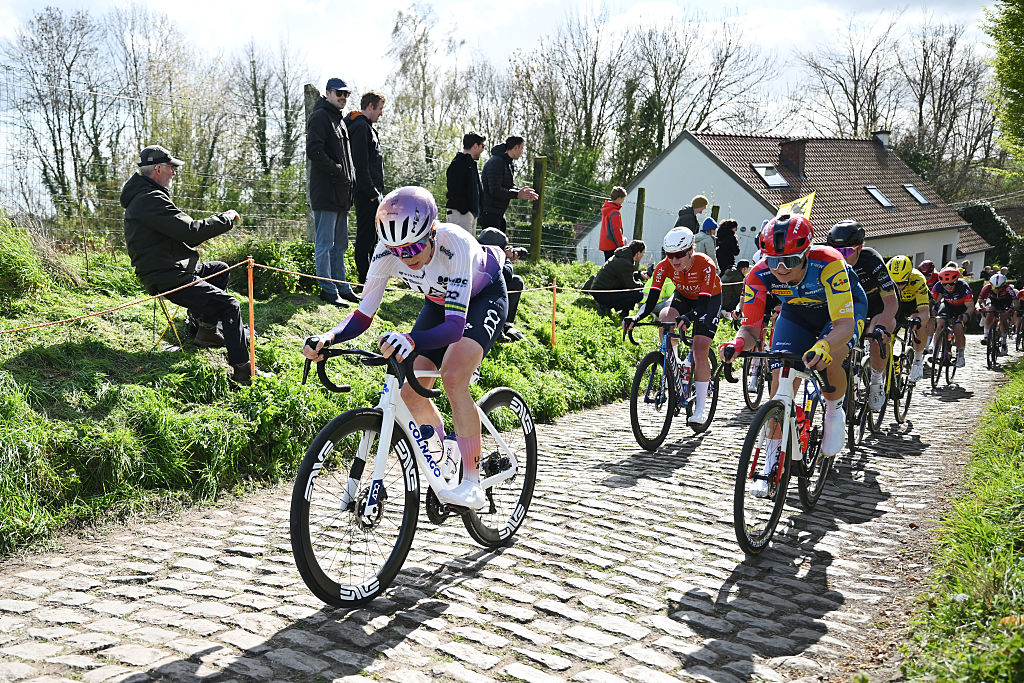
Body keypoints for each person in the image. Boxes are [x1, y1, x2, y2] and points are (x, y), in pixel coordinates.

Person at [302, 186, 508, 510]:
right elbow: (362, 315)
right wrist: (329, 338)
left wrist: (411, 339)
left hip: (483, 296)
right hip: (440, 301)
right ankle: (449, 451)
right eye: (399, 250)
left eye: (413, 247)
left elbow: (454, 328)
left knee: (453, 376)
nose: (407, 257)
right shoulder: (387, 252)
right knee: (411, 393)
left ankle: (472, 481)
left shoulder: (452, 244)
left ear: (431, 232)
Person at [720, 215, 866, 495]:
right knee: (780, 385)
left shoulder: (829, 262)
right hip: (796, 313)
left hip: (839, 315)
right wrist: (737, 344)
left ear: (807, 252)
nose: (782, 269)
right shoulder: (758, 275)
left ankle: (835, 411)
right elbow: (750, 329)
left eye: (791, 260)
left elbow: (844, 326)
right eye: (774, 261)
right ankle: (771, 462)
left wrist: (824, 344)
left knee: (831, 356)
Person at [121, 145, 262, 385]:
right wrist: (225, 218)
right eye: (171, 168)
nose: (174, 173)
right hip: (167, 275)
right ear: (157, 169)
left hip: (170, 266)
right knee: (229, 305)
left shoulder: (147, 196)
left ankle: (206, 332)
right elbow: (191, 232)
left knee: (218, 269)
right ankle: (242, 370)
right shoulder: (149, 199)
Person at [625, 227, 723, 425]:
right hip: (684, 297)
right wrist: (636, 316)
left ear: (690, 251)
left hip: (708, 299)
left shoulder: (706, 265)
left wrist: (689, 317)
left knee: (700, 348)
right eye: (670, 255)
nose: (674, 260)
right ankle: (675, 363)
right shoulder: (665, 266)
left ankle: (700, 410)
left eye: (679, 255)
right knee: (665, 316)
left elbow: (703, 306)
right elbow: (651, 300)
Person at [826, 220, 898, 412]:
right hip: (848, 305)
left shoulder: (871, 260)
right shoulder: (827, 261)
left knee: (876, 336)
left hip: (877, 304)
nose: (841, 257)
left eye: (847, 252)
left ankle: (876, 382)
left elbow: (891, 301)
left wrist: (882, 326)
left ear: (860, 248)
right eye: (836, 252)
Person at [306, 77, 359, 306]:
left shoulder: (340, 121)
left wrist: (350, 180)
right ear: (328, 93)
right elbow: (314, 151)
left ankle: (342, 287)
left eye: (346, 94)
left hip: (341, 195)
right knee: (325, 245)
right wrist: (338, 171)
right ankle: (327, 290)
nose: (343, 97)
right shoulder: (320, 117)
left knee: (341, 246)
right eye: (339, 93)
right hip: (326, 194)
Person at [347, 90, 386, 285]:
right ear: (370, 106)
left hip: (371, 192)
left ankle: (370, 277)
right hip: (367, 193)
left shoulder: (366, 127)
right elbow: (360, 164)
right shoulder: (361, 127)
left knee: (372, 237)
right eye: (380, 108)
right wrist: (371, 193)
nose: (381, 113)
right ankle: (365, 279)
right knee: (365, 237)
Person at [479, 136, 538, 233]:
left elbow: (509, 186)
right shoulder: (496, 162)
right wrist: (517, 194)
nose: (522, 152)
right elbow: (495, 190)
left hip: (499, 212)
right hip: (490, 212)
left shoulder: (508, 163)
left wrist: (521, 191)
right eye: (522, 148)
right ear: (515, 148)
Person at [477, 227, 526, 342]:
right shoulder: (488, 255)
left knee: (516, 282)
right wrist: (507, 258)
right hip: (481, 299)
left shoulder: (476, 250)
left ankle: (506, 325)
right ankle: (498, 328)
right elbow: (507, 275)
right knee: (514, 281)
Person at [886, 256, 930, 382]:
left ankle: (917, 359)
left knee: (920, 322)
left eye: (902, 283)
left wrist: (917, 320)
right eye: (895, 283)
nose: (898, 287)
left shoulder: (918, 278)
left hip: (914, 303)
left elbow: (925, 312)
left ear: (909, 276)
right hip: (896, 302)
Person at [930, 266, 975, 368]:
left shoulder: (963, 286)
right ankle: (935, 351)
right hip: (948, 306)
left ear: (956, 281)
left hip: (962, 308)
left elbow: (970, 306)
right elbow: (933, 301)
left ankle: (960, 355)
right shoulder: (938, 286)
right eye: (945, 284)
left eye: (951, 283)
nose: (948, 286)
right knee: (940, 323)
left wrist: (965, 316)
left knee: (958, 327)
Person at [591, 240, 646, 316]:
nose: (643, 255)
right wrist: (642, 286)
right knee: (638, 294)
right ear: (638, 253)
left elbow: (625, 276)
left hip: (601, 290)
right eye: (643, 253)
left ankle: (623, 312)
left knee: (633, 290)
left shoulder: (623, 256)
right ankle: (609, 306)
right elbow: (630, 284)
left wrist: (640, 275)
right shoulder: (625, 262)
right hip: (602, 294)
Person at [445, 132, 485, 232]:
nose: (482, 150)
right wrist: (465, 210)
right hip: (461, 214)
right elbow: (454, 189)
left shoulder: (471, 164)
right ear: (475, 146)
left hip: (469, 214)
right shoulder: (458, 164)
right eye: (482, 146)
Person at [978, 272, 1016, 354]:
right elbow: (980, 301)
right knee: (989, 312)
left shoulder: (1008, 289)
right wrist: (981, 307)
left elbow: (1015, 301)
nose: (996, 290)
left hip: (1005, 302)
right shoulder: (987, 288)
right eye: (994, 287)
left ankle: (1004, 342)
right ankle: (986, 336)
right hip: (993, 302)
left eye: (1000, 288)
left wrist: (1012, 308)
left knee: (1003, 318)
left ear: (1004, 285)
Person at [599, 186, 627, 260]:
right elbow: (616, 230)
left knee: (608, 266)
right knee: (613, 268)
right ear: (619, 198)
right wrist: (621, 245)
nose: (623, 201)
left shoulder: (607, 209)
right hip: (612, 245)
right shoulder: (614, 213)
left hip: (606, 244)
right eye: (623, 199)